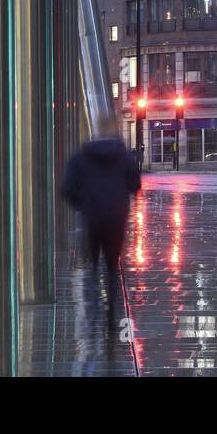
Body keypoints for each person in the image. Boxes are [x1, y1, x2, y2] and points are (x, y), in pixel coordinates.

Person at [61, 130, 141, 332]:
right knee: (112, 264)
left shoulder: (80, 157)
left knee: (93, 263)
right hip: (116, 217)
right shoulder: (123, 156)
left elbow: (67, 189)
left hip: (92, 217)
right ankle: (112, 310)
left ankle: (94, 304)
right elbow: (135, 184)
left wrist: (82, 204)